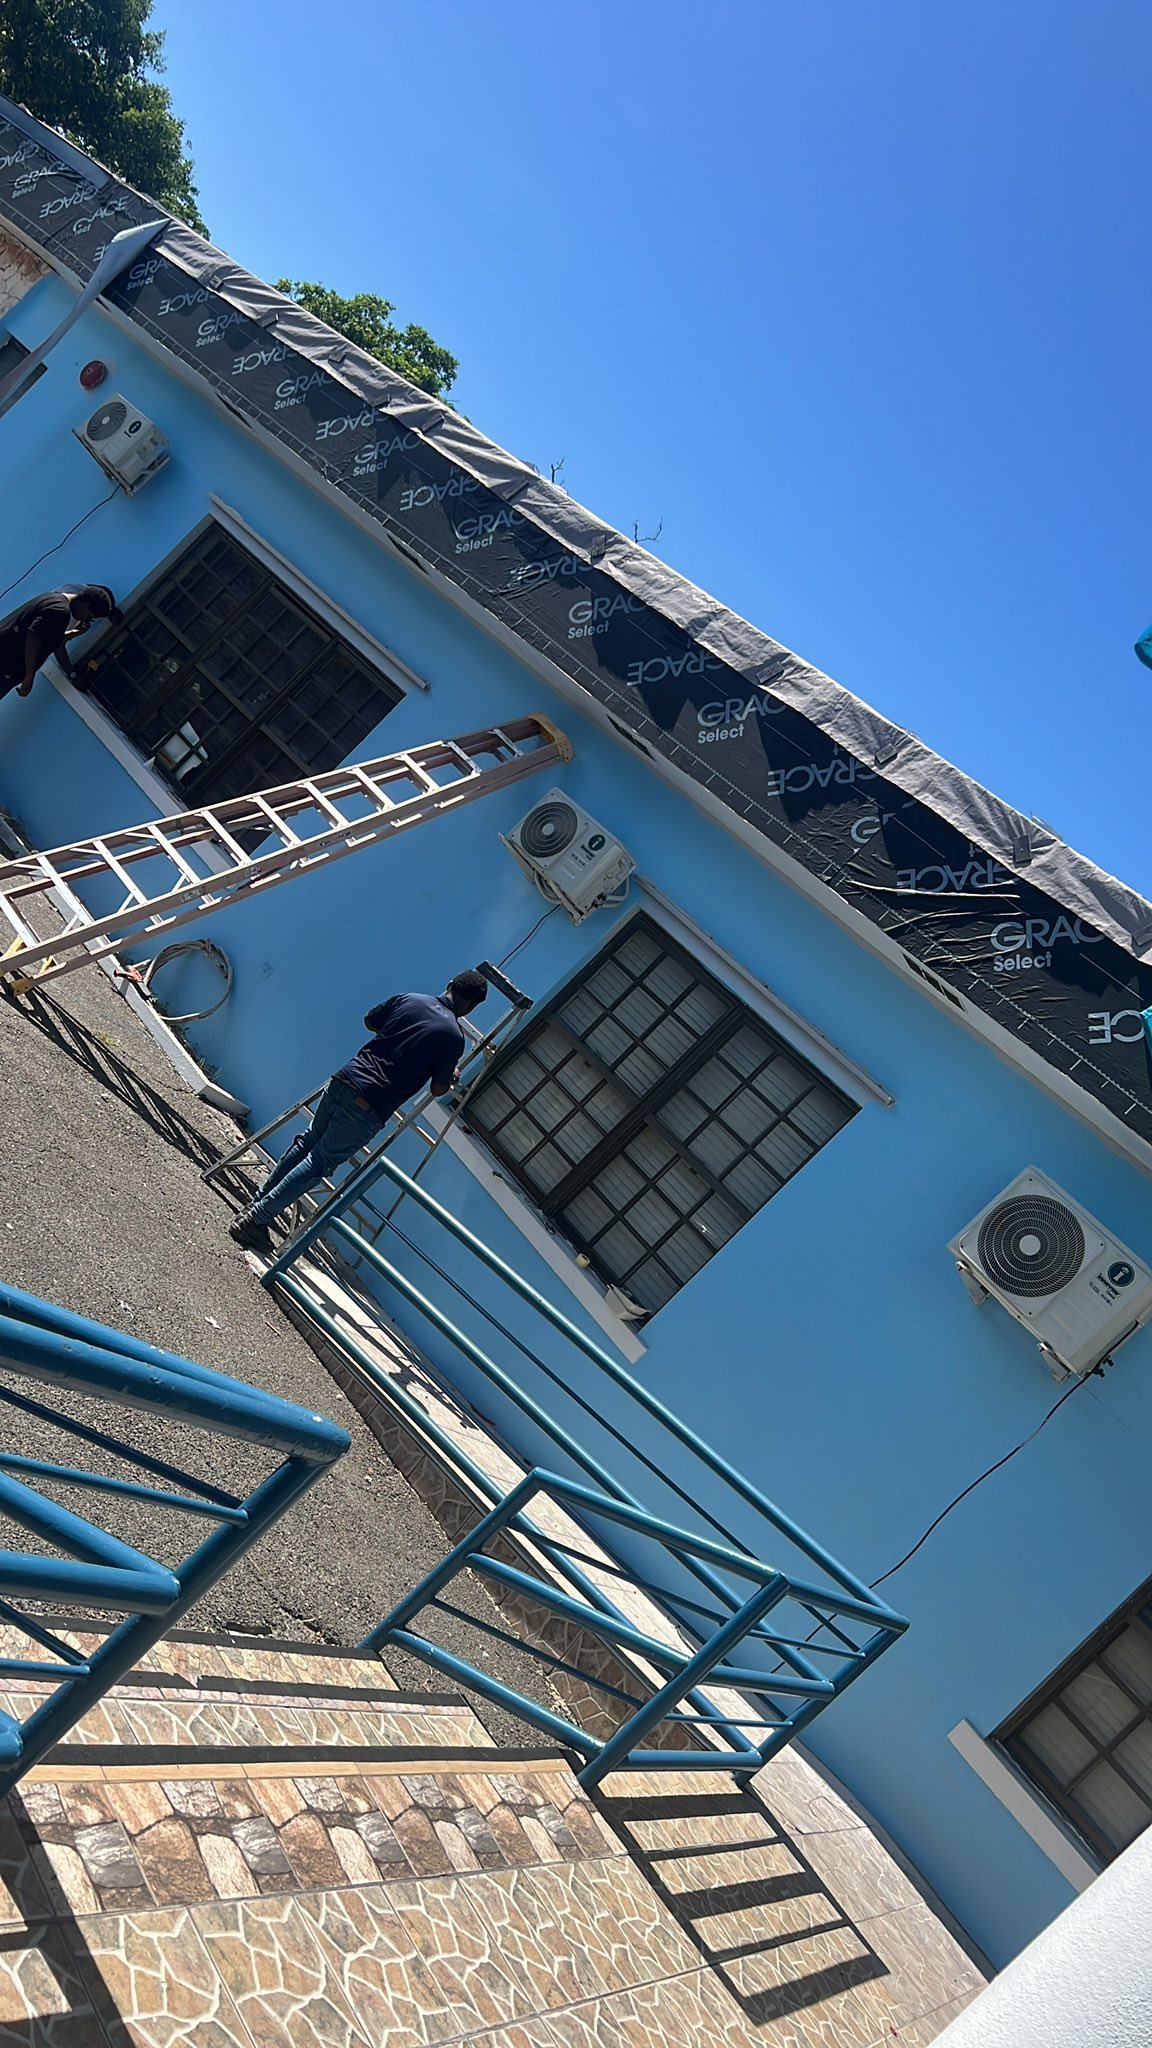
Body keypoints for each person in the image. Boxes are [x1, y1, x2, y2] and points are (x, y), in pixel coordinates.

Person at [230, 969, 489, 1252]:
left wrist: (396, 1036)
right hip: (370, 1103)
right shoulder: (453, 1036)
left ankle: (256, 1207)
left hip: (345, 1079)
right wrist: (450, 1075)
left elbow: (370, 1020)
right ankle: (256, 1219)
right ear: (471, 1007)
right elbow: (438, 1089)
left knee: (308, 1142)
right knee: (319, 1162)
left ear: (449, 983)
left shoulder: (411, 999)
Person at [0, 585, 116, 702]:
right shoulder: (61, 612)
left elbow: (48, 638)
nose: (84, 621)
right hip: (6, 663)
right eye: (89, 617)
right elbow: (33, 636)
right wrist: (29, 675)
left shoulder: (55, 598)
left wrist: (74, 633)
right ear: (86, 605)